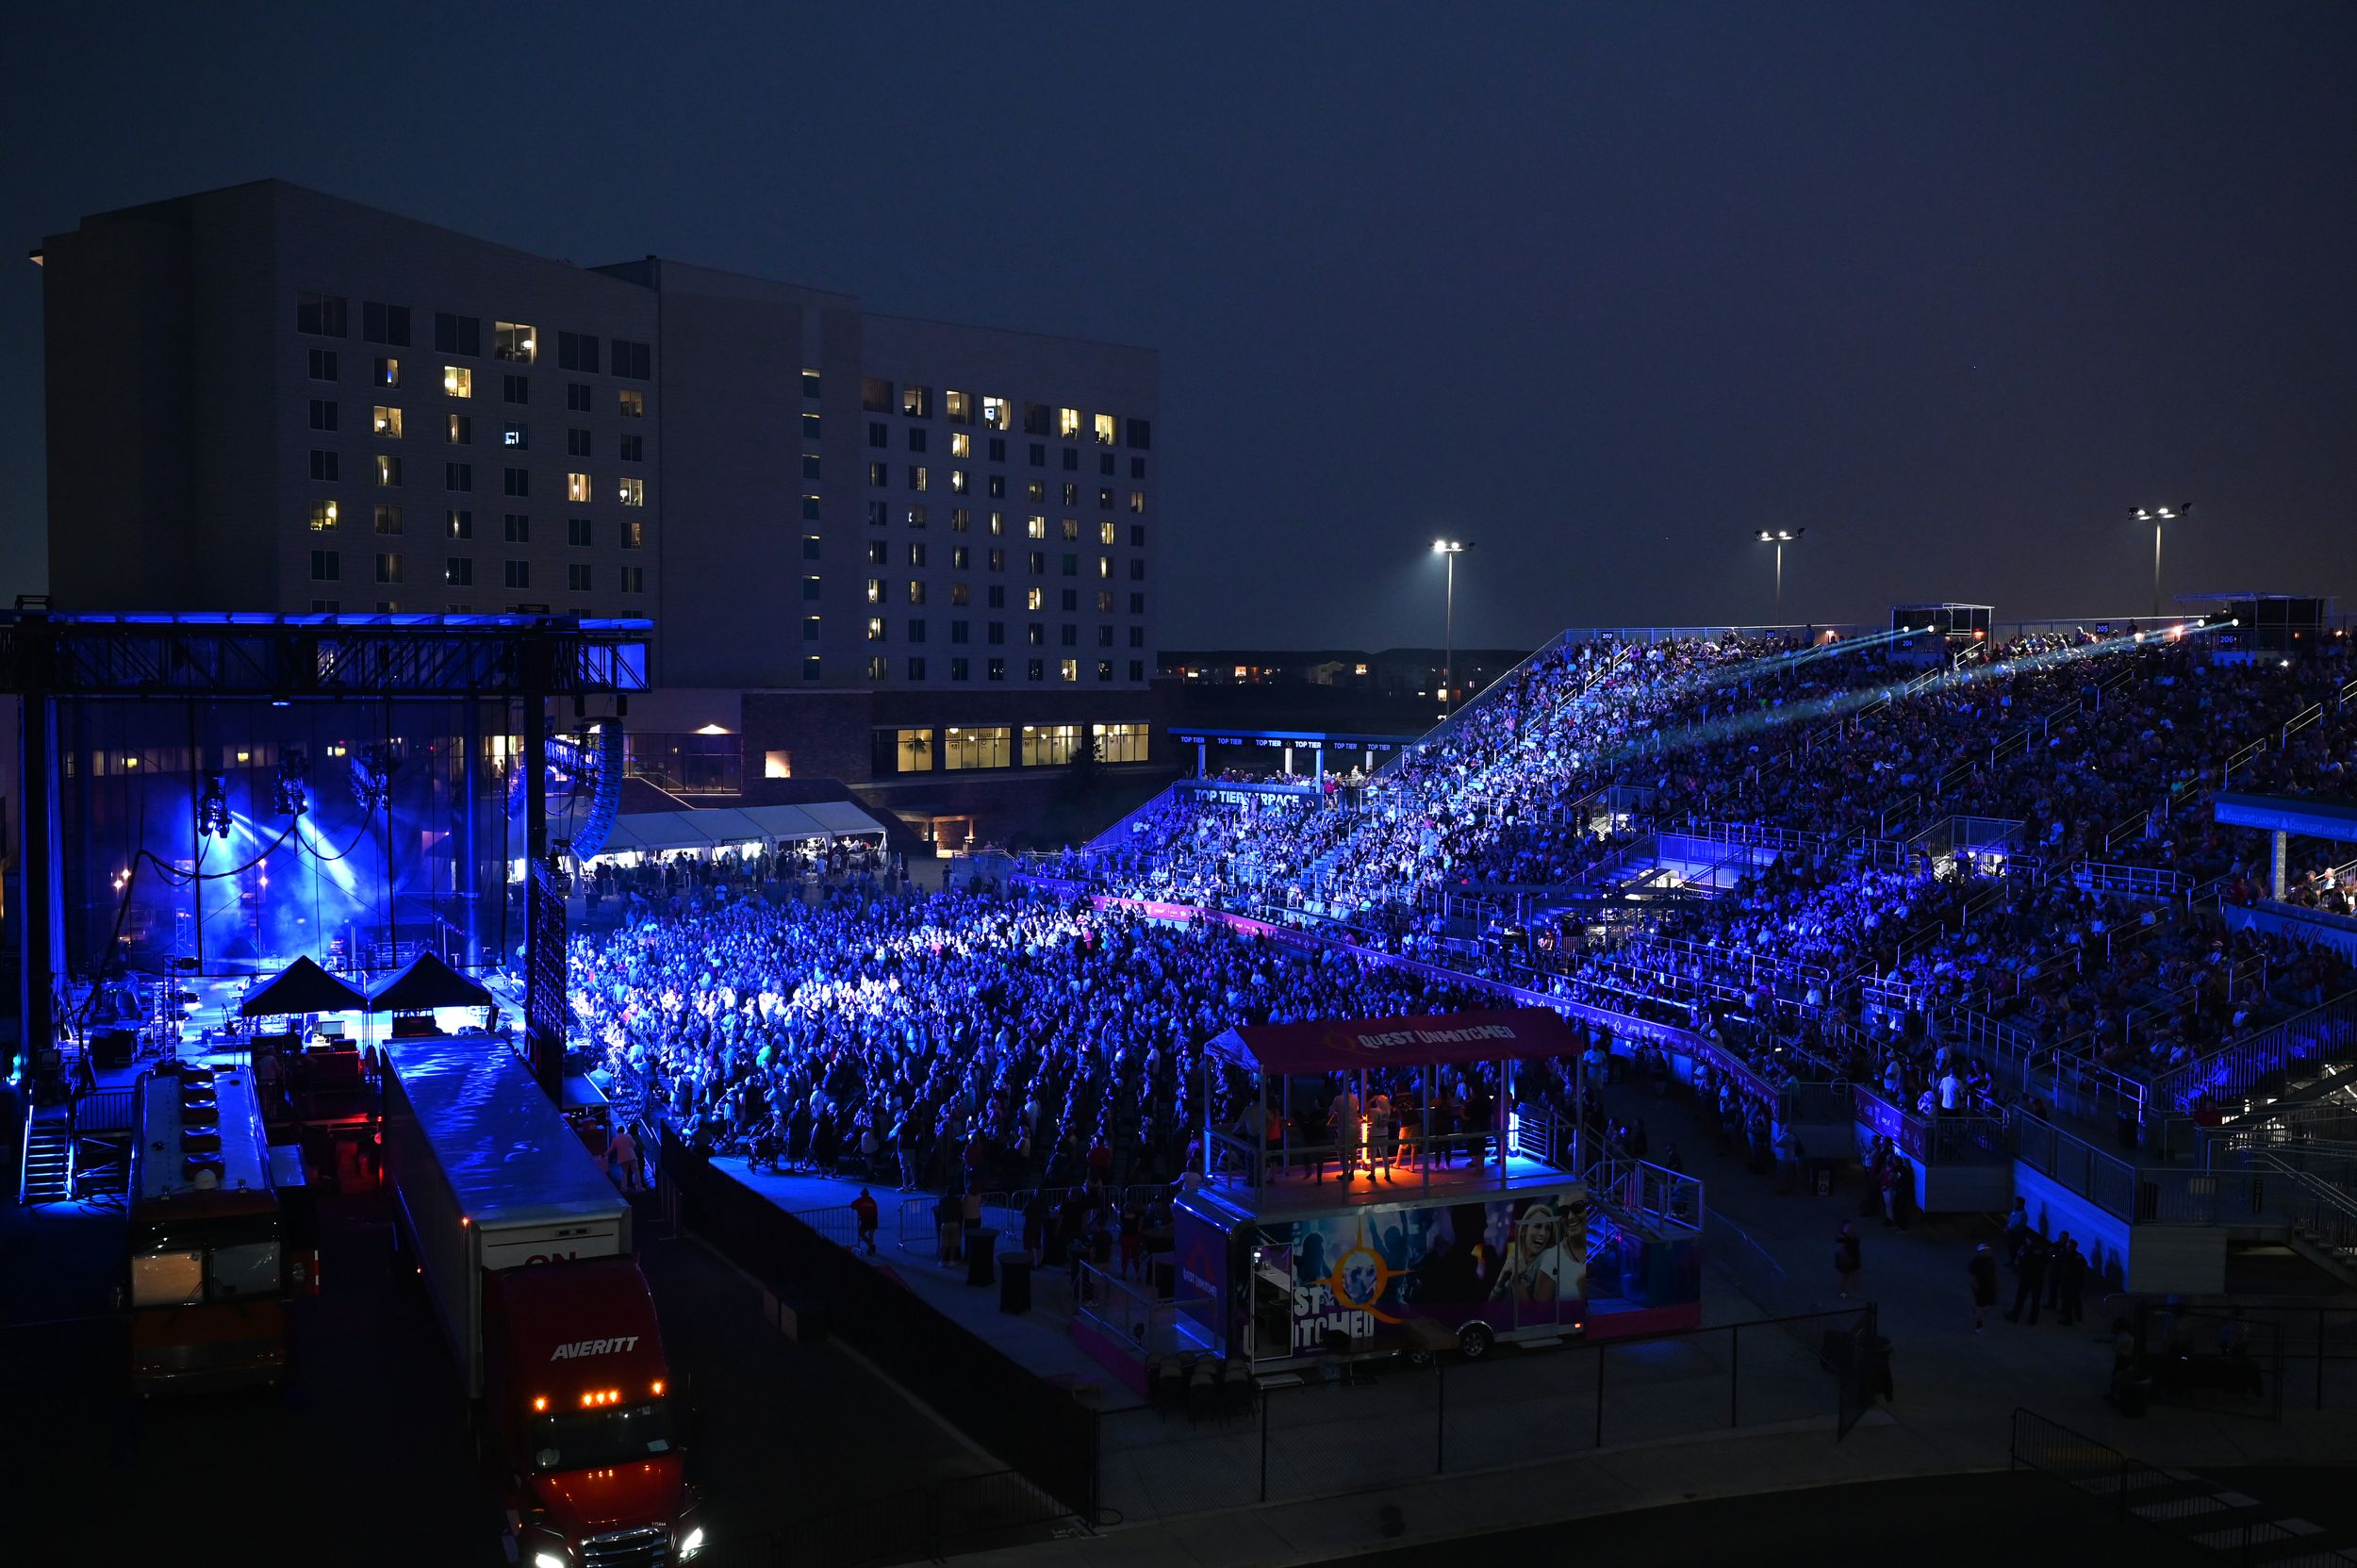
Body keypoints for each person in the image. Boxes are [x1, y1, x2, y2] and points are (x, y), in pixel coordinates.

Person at [2006, 1231, 2049, 1325]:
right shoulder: (2044, 1251)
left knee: (2021, 1298)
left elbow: (2020, 1260)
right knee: (2036, 1299)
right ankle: (2033, 1320)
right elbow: (2047, 1262)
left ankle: (2015, 1316)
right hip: (2039, 1278)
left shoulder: (2028, 1249)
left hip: (2027, 1277)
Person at [1968, 1243, 1998, 1333]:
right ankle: (1978, 1323)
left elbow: (1994, 1271)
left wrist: (1997, 1281)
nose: (1988, 1252)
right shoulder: (1975, 1262)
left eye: (1988, 1250)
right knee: (1981, 1306)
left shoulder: (1990, 1260)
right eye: (1985, 1250)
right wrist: (1976, 1285)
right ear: (1980, 1252)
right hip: (1981, 1288)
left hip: (1990, 1286)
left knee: (1989, 1306)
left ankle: (1977, 1312)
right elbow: (1972, 1275)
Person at [604, 1123, 640, 1194]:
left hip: (622, 1158)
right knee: (636, 1172)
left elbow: (611, 1149)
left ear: (618, 1131)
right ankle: (639, 1188)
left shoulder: (615, 1139)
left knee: (624, 1173)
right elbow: (634, 1144)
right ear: (624, 1131)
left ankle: (624, 1188)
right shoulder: (628, 1136)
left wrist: (605, 1154)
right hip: (631, 1156)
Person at [1833, 1223, 1862, 1300]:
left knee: (1855, 1277)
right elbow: (1841, 1252)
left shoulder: (1854, 1238)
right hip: (1846, 1263)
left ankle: (1852, 1291)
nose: (1851, 1231)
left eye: (1851, 1229)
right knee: (1845, 1278)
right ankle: (1843, 1293)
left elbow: (1856, 1249)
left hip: (1854, 1260)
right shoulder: (1843, 1240)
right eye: (1848, 1230)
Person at [850, 1185, 880, 1255]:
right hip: (873, 1218)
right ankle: (870, 1249)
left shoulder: (861, 1200)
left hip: (866, 1218)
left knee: (861, 1234)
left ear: (862, 1194)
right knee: (871, 1234)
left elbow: (852, 1205)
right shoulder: (872, 1200)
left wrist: (858, 1209)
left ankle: (871, 1246)